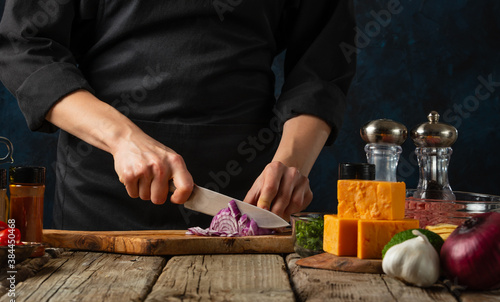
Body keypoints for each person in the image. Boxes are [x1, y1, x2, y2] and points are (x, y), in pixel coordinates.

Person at [0, 1, 355, 230]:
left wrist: (292, 162)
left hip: (245, 196)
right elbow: (25, 45)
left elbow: (323, 60)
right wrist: (123, 139)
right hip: (102, 194)